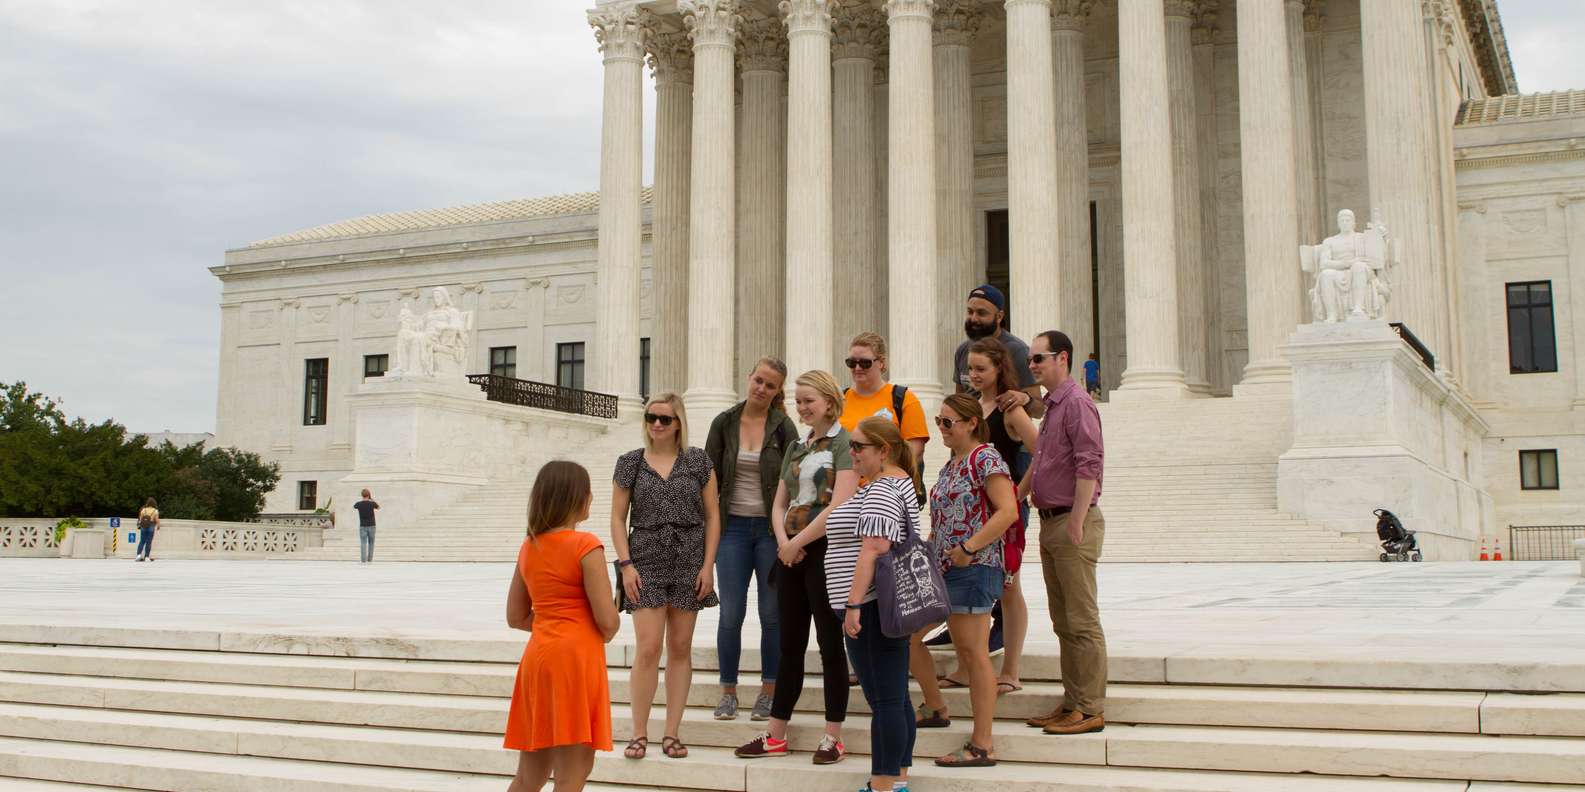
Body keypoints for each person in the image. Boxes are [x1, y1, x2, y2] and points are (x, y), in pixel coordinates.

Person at [734, 370, 855, 765]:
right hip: (790, 553)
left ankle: (833, 735)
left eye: (809, 401)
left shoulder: (845, 442)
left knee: (830, 645)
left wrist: (797, 543)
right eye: (798, 401)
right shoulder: (796, 447)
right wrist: (784, 543)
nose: (802, 408)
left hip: (825, 553)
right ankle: (775, 733)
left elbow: (839, 503)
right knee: (790, 646)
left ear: (829, 401)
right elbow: (779, 502)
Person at [907, 394, 1018, 768]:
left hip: (975, 567)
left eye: (948, 422)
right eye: (939, 421)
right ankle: (936, 706)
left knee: (973, 653)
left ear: (972, 422)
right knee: (909, 637)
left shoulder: (985, 458)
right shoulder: (951, 464)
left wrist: (969, 548)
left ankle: (983, 743)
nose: (941, 428)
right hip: (946, 570)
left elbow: (1008, 511)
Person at [610, 393, 721, 760]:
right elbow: (616, 518)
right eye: (650, 417)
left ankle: (671, 733)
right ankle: (638, 733)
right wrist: (626, 565)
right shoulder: (630, 463)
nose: (656, 424)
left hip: (689, 559)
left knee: (680, 648)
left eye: (664, 419)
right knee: (647, 647)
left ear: (679, 423)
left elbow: (712, 516)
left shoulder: (698, 461)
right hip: (644, 561)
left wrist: (708, 566)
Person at [934, 284, 1042, 657]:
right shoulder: (972, 405)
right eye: (970, 370)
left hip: (1000, 505)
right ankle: (966, 641)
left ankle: (1009, 664)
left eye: (981, 369)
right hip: (967, 508)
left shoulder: (1010, 406)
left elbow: (1043, 451)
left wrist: (1020, 491)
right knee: (963, 574)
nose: (973, 375)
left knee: (1009, 584)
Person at [503, 461, 621, 792]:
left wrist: (555, 620)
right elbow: (608, 622)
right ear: (576, 497)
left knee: (530, 774)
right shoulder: (585, 545)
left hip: (538, 658)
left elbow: (515, 616)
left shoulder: (529, 546)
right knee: (573, 773)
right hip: (575, 661)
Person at [1019, 330, 1108, 736]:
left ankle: (1090, 708)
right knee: (1063, 620)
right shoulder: (1052, 407)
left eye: (1040, 357)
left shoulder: (1077, 403)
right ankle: (1073, 702)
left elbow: (1090, 460)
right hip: (1049, 519)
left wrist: (1076, 517)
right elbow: (1041, 460)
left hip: (1072, 521)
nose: (1033, 364)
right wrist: (1017, 496)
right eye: (1031, 359)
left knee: (1082, 619)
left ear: (1063, 359)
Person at [828, 417, 922, 792]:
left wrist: (852, 606)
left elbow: (873, 550)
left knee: (884, 699)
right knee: (894, 696)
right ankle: (897, 777)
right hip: (875, 605)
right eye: (850, 445)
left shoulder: (884, 489)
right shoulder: (893, 484)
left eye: (859, 447)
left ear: (884, 450)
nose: (851, 453)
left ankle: (883, 783)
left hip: (870, 606)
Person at [704, 358, 798, 721]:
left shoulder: (782, 427)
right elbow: (707, 479)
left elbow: (796, 476)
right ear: (748, 378)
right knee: (731, 613)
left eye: (770, 385)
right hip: (733, 530)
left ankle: (768, 691)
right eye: (758, 380)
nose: (761, 388)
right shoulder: (724, 422)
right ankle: (728, 690)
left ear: (777, 392)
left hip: (770, 531)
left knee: (772, 614)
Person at [840, 332, 929, 491]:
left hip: (887, 490)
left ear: (881, 363)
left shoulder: (904, 399)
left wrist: (877, 481)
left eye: (865, 363)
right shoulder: (840, 400)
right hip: (844, 491)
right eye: (852, 363)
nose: (857, 368)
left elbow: (915, 450)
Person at [353, 489, 380, 563]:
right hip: (372, 525)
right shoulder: (372, 503)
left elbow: (354, 507)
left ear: (362, 495)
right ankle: (370, 559)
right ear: (369, 495)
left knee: (363, 543)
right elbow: (378, 507)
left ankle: (363, 560)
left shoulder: (358, 504)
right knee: (371, 543)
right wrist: (372, 499)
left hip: (363, 526)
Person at [134, 498, 159, 562]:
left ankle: (138, 555)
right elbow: (156, 519)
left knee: (142, 541)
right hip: (151, 526)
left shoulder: (143, 510)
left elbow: (140, 519)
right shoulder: (155, 511)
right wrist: (158, 525)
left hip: (143, 527)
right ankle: (147, 557)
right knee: (148, 542)